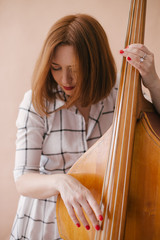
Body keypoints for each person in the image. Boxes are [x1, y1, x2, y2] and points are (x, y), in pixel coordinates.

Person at [10, 14, 160, 240]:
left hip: (102, 226)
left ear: (95, 63)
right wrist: (62, 181)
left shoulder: (122, 93)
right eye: (56, 67)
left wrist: (152, 81)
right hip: (44, 226)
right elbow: (23, 180)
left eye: (75, 68)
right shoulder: (36, 102)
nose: (65, 78)